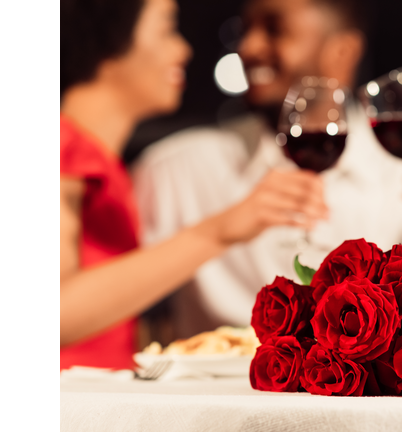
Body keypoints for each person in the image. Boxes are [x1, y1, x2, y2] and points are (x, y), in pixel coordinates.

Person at [132, 0, 402, 338]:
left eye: (274, 28)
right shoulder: (179, 169)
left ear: (342, 52)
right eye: (246, 28)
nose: (249, 47)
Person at [60, 0, 321, 370]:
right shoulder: (61, 149)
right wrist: (218, 232)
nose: (183, 49)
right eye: (167, 29)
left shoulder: (100, 161)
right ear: (107, 36)